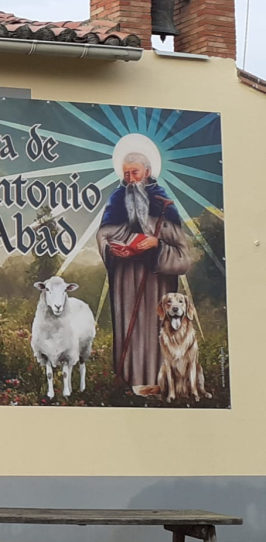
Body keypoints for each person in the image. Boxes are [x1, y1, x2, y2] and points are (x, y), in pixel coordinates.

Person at [95, 152, 193, 389]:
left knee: (155, 328)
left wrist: (156, 245)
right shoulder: (117, 200)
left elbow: (182, 255)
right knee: (128, 327)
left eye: (135, 173)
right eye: (126, 174)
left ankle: (160, 382)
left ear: (147, 172)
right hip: (125, 282)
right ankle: (127, 381)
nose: (130, 179)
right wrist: (113, 249)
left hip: (156, 283)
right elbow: (104, 235)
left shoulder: (163, 204)